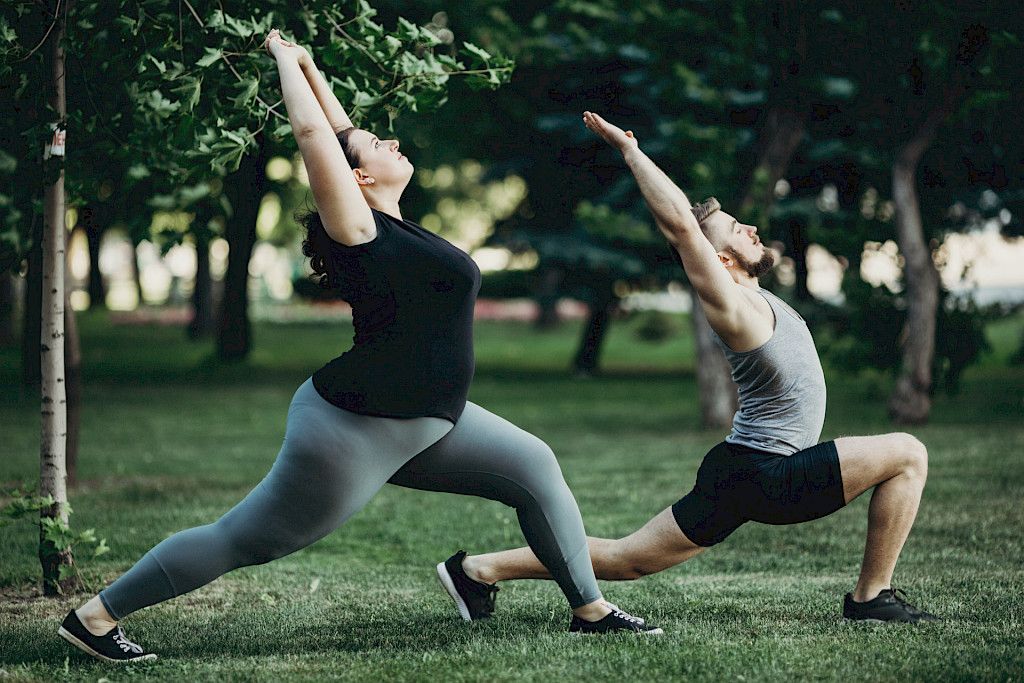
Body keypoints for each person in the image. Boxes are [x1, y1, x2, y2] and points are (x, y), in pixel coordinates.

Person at [57, 41, 661, 665]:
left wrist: (315, 68)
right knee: (247, 539)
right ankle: (94, 618)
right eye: (378, 145)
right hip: (356, 427)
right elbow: (318, 134)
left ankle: (590, 611)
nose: (392, 143)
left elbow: (338, 129)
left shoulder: (390, 224)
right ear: (358, 179)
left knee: (534, 466)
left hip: (428, 416)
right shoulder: (357, 229)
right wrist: (282, 58)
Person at [440, 111, 939, 625]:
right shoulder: (734, 309)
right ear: (718, 259)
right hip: (767, 472)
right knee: (907, 453)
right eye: (734, 232)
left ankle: (478, 569)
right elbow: (681, 227)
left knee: (628, 559)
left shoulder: (759, 295)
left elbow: (691, 227)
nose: (750, 228)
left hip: (739, 466)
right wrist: (631, 152)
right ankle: (870, 599)